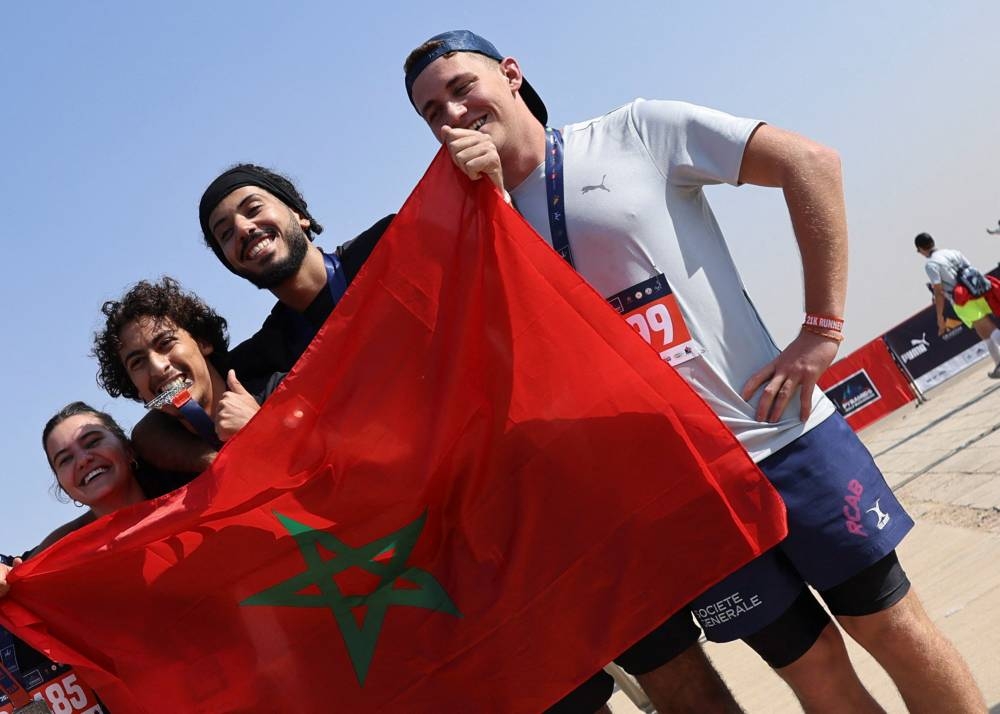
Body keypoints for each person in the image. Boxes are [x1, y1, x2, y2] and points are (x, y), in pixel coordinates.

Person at [404, 30, 987, 714]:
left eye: (461, 87)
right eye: (431, 112)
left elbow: (811, 163)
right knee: (815, 669)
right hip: (681, 495)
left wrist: (821, 328)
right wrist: (494, 208)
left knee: (889, 626)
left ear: (509, 74)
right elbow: (515, 362)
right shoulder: (476, 228)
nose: (451, 113)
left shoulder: (633, 131)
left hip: (782, 440)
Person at [131, 168, 394, 475]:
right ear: (232, 263)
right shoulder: (268, 352)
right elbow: (149, 431)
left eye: (253, 209)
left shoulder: (387, 244)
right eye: (226, 234)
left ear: (298, 214)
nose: (242, 228)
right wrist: (221, 461)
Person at [915, 232, 1000, 379]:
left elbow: (938, 290)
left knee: (990, 329)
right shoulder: (952, 252)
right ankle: (998, 364)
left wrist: (940, 317)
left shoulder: (931, 264)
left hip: (963, 300)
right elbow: (971, 269)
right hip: (977, 291)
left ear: (921, 249)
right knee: (985, 334)